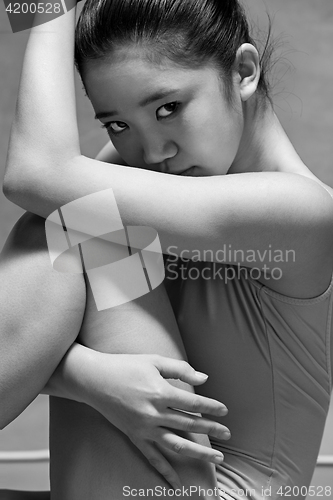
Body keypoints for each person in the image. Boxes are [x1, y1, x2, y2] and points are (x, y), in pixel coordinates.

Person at [2, 0, 333, 499]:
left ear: (242, 71)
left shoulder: (301, 212)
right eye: (118, 125)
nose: (153, 152)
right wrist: (89, 378)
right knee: (63, 219)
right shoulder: (137, 170)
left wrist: (51, 10)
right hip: (127, 479)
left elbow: (35, 173)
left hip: (212, 489)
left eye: (168, 108)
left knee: (67, 217)